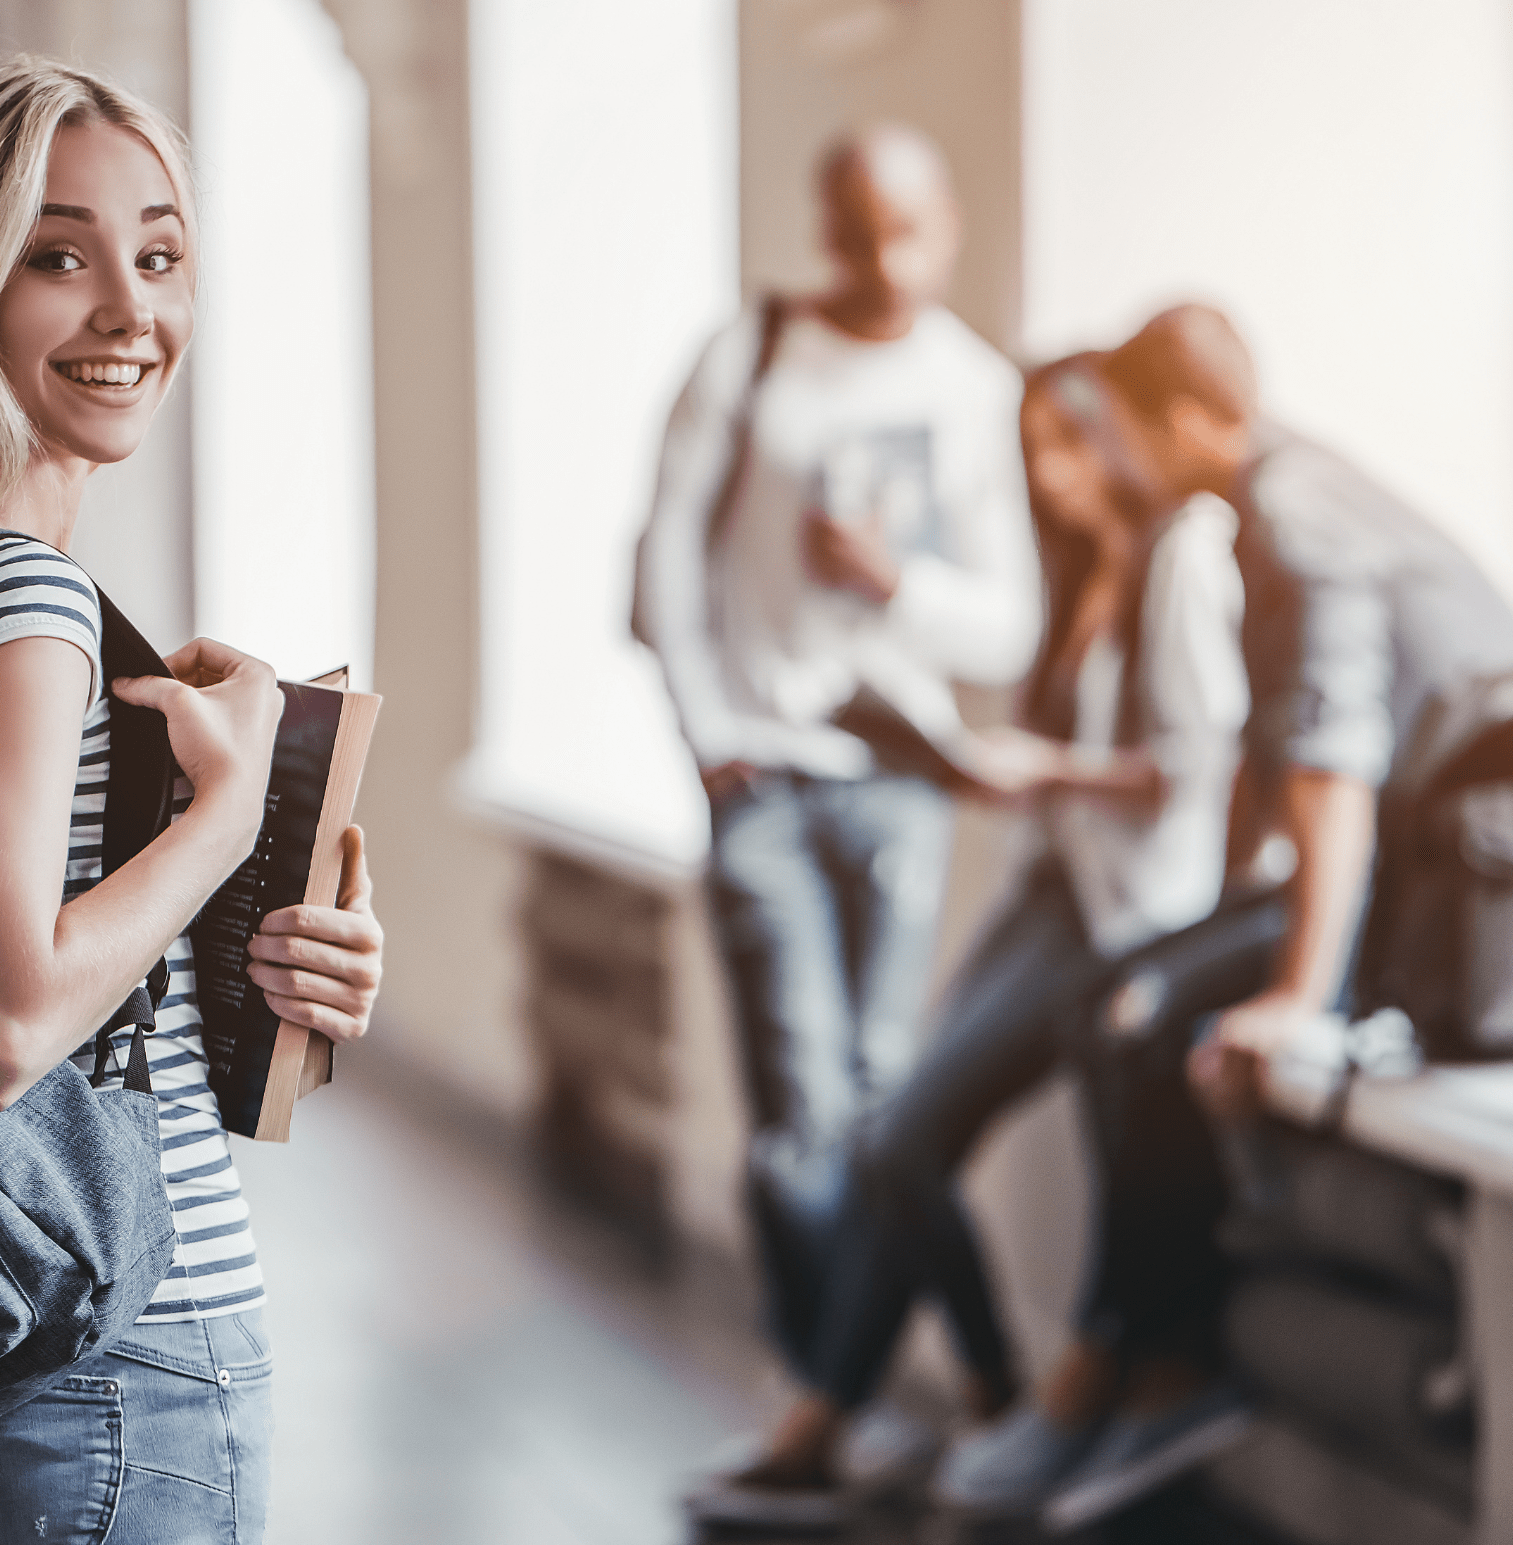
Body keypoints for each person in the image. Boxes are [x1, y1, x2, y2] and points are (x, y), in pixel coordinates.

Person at [0, 58, 384, 1545]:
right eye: (57, 256)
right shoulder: (23, 603)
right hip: (110, 1347)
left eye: (159, 255)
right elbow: (6, 1022)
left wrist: (267, 963)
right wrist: (216, 826)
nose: (130, 310)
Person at [955, 304, 1513, 1531]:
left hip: (1450, 899)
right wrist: (1206, 936)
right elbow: (1271, 771)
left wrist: (1290, 997)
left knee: (1148, 1016)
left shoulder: (1301, 522)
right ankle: (1128, 1362)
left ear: (1190, 425)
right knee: (1124, 998)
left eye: (1120, 436)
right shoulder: (1253, 517)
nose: (1108, 468)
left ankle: (1148, 1364)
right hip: (1401, 877)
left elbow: (1331, 775)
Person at [746, 352, 1249, 1529]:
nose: (1056, 475)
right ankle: (924, 1400)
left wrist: (1049, 768)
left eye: (1074, 445)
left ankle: (990, 1397)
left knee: (901, 1137)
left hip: (1120, 920)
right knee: (892, 1139)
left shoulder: (1183, 552)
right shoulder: (1074, 575)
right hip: (1051, 892)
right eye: (1035, 453)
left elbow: (1196, 770)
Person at [639, 125, 1041, 1530]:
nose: (884, 258)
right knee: (801, 1124)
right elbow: (661, 560)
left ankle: (871, 1408)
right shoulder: (749, 354)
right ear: (827, 221)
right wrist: (710, 741)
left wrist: (898, 582)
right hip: (763, 774)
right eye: (858, 228)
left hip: (899, 782)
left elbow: (1011, 619)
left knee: (882, 1104)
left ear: (948, 228)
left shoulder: (976, 391)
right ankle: (873, 1395)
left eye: (909, 230)